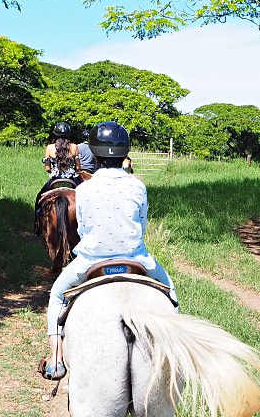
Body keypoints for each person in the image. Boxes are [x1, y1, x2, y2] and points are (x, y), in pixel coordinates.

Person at [42, 121, 177, 380]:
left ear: (93, 151)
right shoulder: (138, 186)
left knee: (57, 295)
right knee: (170, 292)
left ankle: (57, 360)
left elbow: (81, 231)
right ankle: (173, 357)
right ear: (124, 152)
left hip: (91, 261)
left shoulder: (83, 189)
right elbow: (141, 225)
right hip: (136, 259)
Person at [34, 122, 81, 232]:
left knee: (39, 198)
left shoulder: (50, 148)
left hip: (55, 179)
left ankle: (37, 225)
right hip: (71, 179)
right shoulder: (74, 147)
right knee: (85, 197)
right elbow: (78, 168)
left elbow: (47, 168)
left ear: (55, 134)